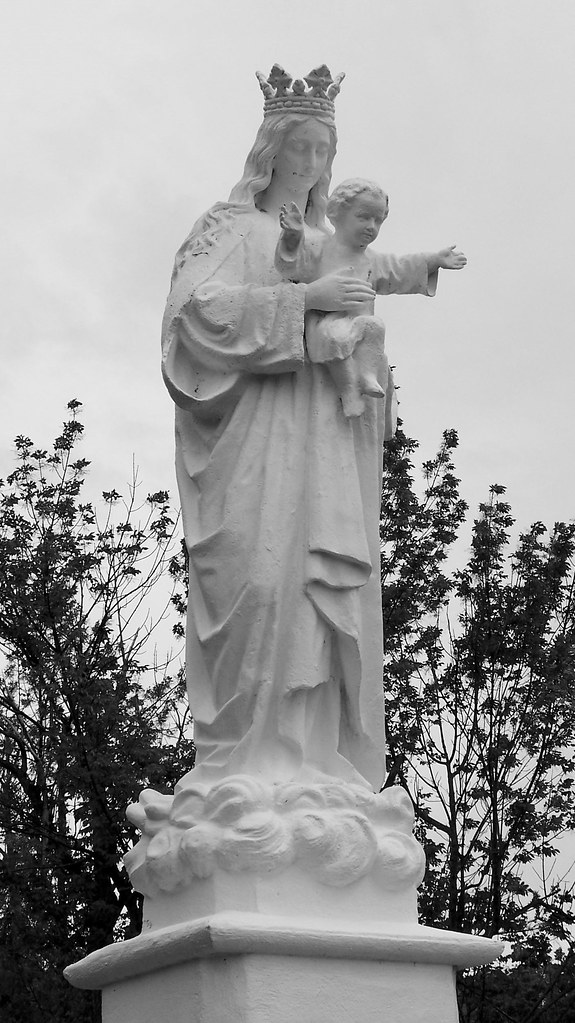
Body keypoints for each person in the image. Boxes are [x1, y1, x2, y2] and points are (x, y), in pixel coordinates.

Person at [161, 66, 448, 792]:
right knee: (260, 581)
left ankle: (317, 765)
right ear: (270, 150)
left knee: (318, 593)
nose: (312, 164)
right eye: (300, 147)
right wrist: (302, 303)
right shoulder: (225, 229)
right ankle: (246, 767)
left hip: (320, 437)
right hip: (253, 437)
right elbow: (193, 318)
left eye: (324, 150)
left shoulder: (335, 239)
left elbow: (380, 279)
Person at [275, 179, 466, 417]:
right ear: (336, 214)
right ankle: (349, 390)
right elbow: (292, 268)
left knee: (375, 327)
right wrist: (292, 237)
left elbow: (400, 268)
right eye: (363, 217)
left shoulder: (371, 260)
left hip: (359, 325)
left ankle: (366, 376)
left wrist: (434, 260)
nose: (371, 226)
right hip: (324, 325)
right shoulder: (319, 247)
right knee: (337, 338)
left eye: (378, 221)